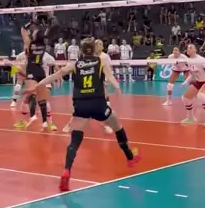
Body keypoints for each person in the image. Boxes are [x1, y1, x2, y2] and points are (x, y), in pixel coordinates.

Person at [37, 37, 139, 192]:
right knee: (117, 125)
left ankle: (66, 170)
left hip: (81, 105)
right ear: (94, 49)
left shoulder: (75, 64)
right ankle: (130, 157)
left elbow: (57, 74)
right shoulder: (100, 61)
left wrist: (40, 84)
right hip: (98, 104)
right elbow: (110, 77)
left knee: (74, 140)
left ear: (81, 50)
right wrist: (117, 88)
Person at [63, 39, 113, 136]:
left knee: (104, 106)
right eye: (96, 44)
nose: (98, 46)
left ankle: (106, 125)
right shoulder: (86, 57)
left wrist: (106, 82)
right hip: (86, 88)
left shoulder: (104, 57)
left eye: (100, 44)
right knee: (81, 108)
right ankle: (70, 124)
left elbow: (108, 70)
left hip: (100, 86)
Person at [14, 23, 51, 130]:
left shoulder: (29, 44)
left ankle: (33, 115)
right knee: (42, 98)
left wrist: (30, 22)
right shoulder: (43, 45)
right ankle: (44, 122)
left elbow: (23, 30)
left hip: (32, 70)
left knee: (31, 94)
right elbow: (47, 32)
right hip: (41, 71)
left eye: (34, 32)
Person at [181, 43, 205, 126]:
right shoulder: (189, 61)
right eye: (187, 48)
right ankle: (190, 118)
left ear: (195, 50)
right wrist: (186, 82)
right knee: (185, 98)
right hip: (199, 82)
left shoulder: (201, 60)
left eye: (191, 47)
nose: (188, 49)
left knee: (201, 95)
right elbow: (192, 75)